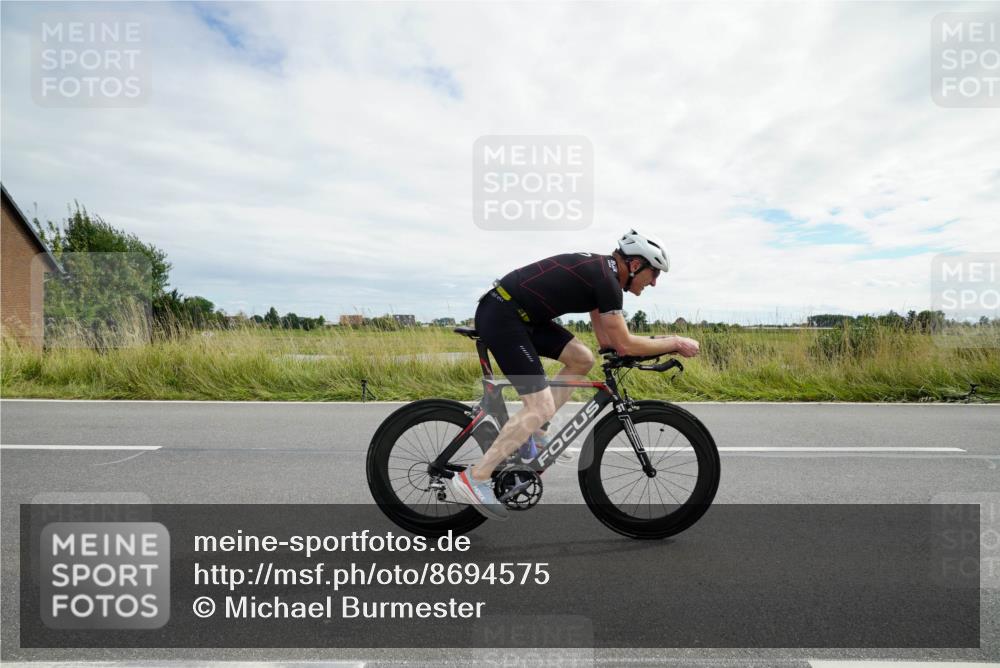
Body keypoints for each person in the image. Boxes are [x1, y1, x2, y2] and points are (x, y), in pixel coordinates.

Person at [449, 230, 701, 520]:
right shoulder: (607, 280)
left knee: (582, 359)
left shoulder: (604, 275)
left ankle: (537, 435)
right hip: (503, 315)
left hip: (523, 317)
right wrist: (674, 342)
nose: (654, 282)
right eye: (654, 273)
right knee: (539, 405)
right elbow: (625, 344)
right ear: (635, 265)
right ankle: (476, 477)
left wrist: (629, 350)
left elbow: (608, 342)